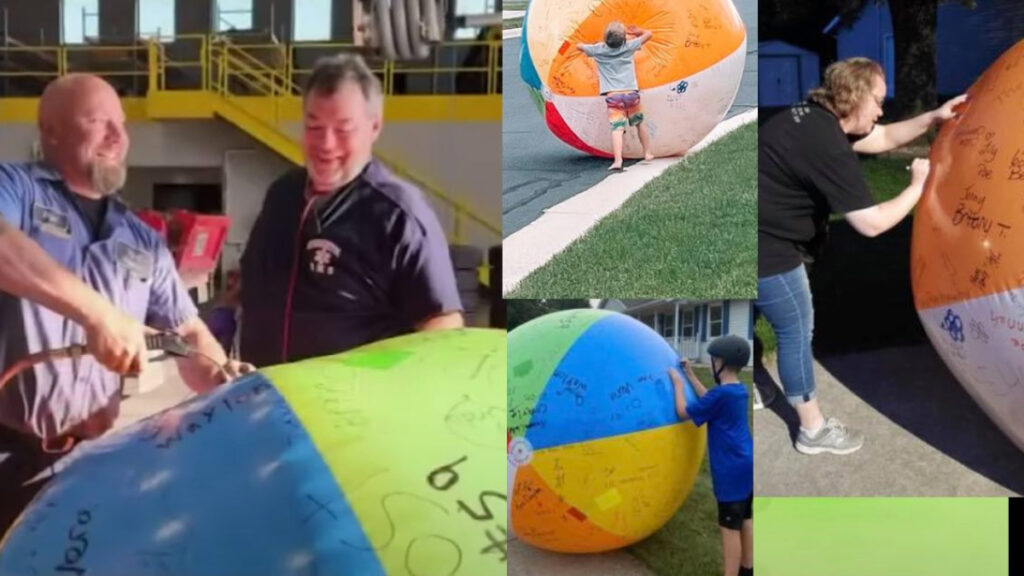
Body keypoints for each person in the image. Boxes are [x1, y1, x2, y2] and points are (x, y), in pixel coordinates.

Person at [0, 74, 253, 534]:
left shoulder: (141, 239)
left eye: (121, 124)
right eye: (99, 122)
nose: (118, 137)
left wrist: (221, 376)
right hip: (7, 452)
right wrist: (100, 315)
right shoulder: (16, 189)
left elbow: (182, 335)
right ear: (50, 130)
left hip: (92, 460)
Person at [757, 57, 966, 455]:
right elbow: (871, 224)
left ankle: (753, 382)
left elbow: (883, 137)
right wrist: (916, 189)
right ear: (853, 96)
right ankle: (812, 431)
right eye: (878, 100)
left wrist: (934, 117)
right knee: (795, 329)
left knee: (754, 312)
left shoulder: (815, 117)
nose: (882, 109)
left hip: (752, 231)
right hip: (768, 248)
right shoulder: (827, 146)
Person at [239, 54, 463, 368]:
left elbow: (443, 326)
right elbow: (252, 282)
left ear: (374, 127)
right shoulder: (282, 195)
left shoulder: (399, 215)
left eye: (343, 130)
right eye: (314, 127)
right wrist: (221, 322)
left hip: (350, 411)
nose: (326, 144)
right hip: (269, 400)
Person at [668, 335, 753, 576]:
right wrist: (692, 375)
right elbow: (710, 399)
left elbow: (683, 412)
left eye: (714, 360)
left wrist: (677, 384)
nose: (713, 364)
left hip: (730, 471)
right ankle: (748, 569)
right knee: (745, 519)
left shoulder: (721, 396)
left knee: (729, 528)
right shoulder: (738, 390)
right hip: (745, 464)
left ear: (722, 363)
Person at [577, 21, 655, 170]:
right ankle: (648, 153)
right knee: (640, 124)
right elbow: (649, 34)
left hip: (614, 97)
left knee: (617, 129)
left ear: (606, 38)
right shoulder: (629, 46)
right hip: (632, 94)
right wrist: (637, 31)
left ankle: (618, 160)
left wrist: (589, 43)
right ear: (624, 38)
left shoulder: (598, 50)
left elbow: (579, 46)